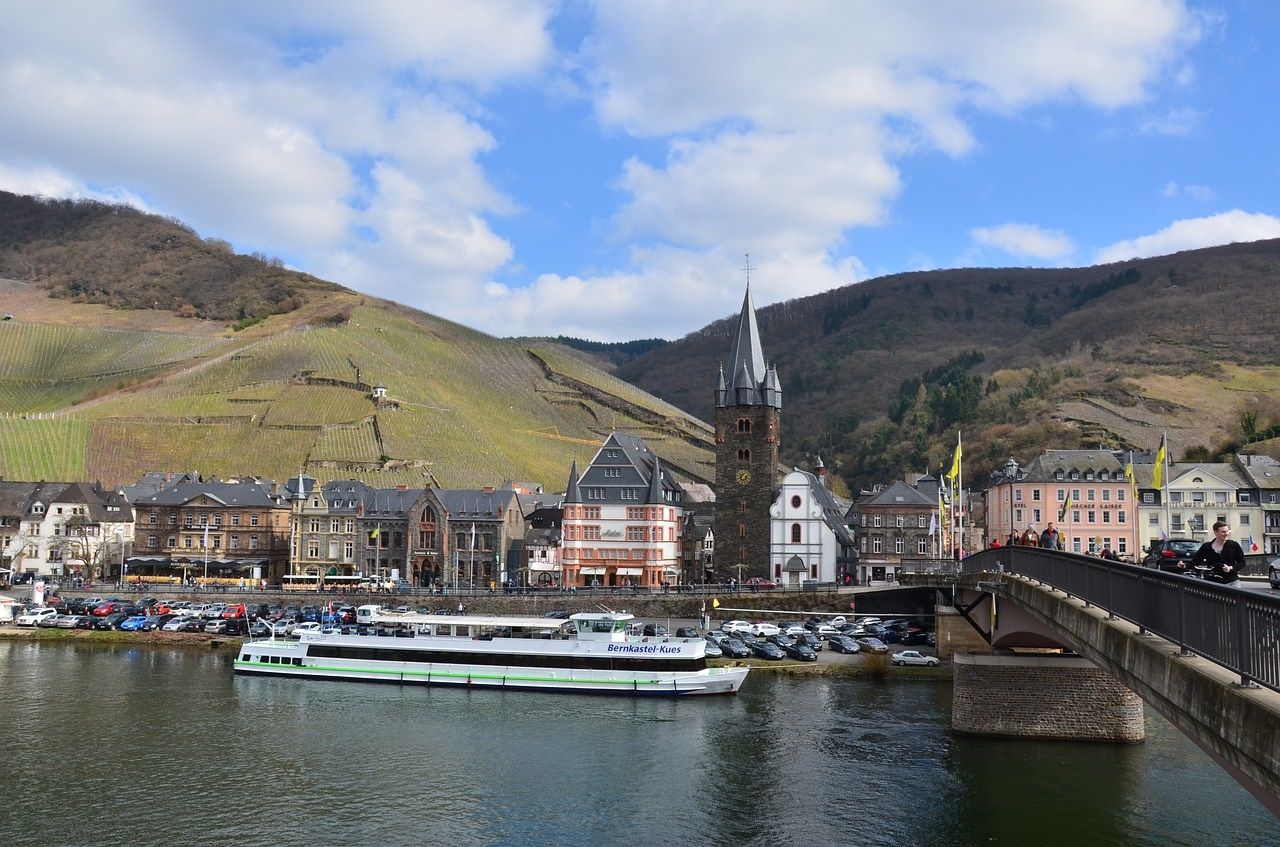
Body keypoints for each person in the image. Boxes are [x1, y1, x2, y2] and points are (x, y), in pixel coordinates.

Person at [1186, 521, 1244, 585]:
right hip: (1212, 582)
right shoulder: (1206, 547)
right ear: (1216, 532)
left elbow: (1242, 562)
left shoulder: (1234, 545)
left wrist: (1230, 568)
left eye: (1227, 531)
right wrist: (1184, 565)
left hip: (1231, 581)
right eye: (1223, 532)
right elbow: (1194, 562)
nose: (1226, 534)